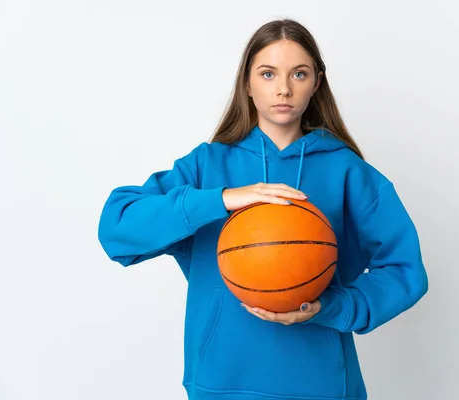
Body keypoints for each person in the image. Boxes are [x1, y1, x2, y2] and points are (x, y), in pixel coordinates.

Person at [98, 18, 428, 400]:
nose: (283, 89)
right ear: (247, 84)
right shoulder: (207, 166)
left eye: (299, 74)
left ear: (316, 83)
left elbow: (406, 271)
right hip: (220, 384)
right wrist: (220, 199)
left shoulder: (348, 172)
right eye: (268, 73)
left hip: (321, 387)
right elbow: (116, 227)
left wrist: (331, 307)